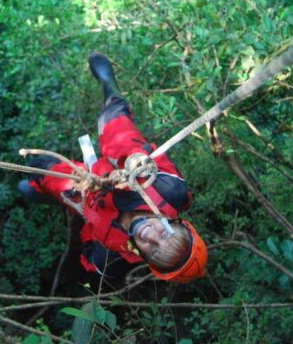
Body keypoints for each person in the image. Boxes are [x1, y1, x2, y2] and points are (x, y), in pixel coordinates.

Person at [18, 52, 208, 283]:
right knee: (111, 116)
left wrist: (80, 208)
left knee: (34, 174)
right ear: (174, 223)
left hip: (89, 198)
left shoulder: (112, 258)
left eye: (156, 250)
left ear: (148, 261)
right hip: (127, 167)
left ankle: (55, 198)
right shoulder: (169, 192)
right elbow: (151, 158)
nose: (151, 236)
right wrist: (132, 164)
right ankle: (110, 86)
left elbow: (88, 248)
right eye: (165, 235)